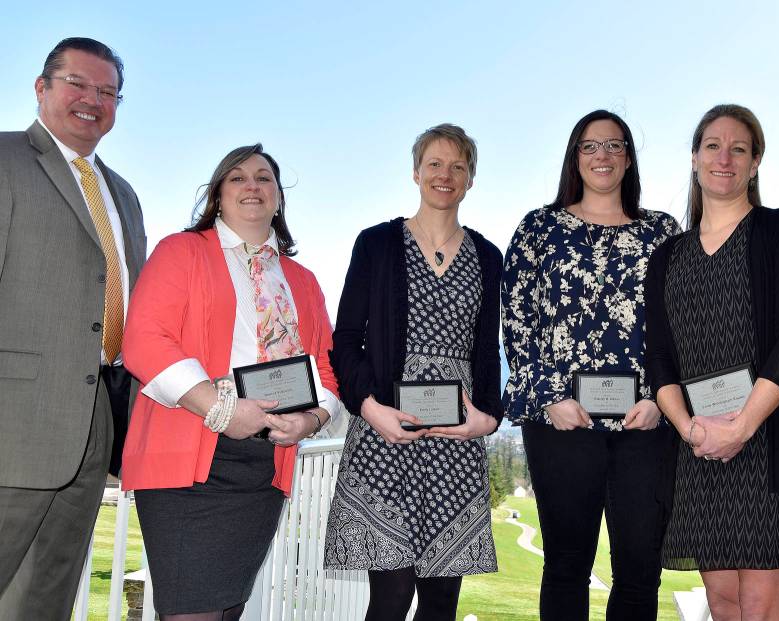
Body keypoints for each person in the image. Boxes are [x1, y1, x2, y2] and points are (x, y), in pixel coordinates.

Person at [119, 144, 340, 620]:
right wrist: (221, 409)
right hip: (189, 460)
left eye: (264, 178)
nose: (252, 186)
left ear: (279, 197)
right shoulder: (180, 252)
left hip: (264, 467)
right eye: (238, 177)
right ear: (217, 194)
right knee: (190, 612)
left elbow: (326, 369)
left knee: (226, 612)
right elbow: (144, 341)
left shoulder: (302, 280)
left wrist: (312, 417)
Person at [644, 104, 779, 621]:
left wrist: (742, 426)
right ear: (695, 159)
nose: (724, 157)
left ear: (754, 164)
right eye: (712, 146)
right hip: (700, 448)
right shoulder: (668, 255)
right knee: (723, 602)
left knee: (762, 604)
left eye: (739, 149)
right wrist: (690, 430)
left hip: (766, 442)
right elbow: (659, 357)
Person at [502, 109, 680, 621]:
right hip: (562, 422)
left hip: (645, 423)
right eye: (589, 146)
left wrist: (660, 402)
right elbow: (517, 321)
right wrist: (550, 398)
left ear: (628, 158)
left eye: (614, 145)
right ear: (574, 158)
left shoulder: (662, 232)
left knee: (640, 572)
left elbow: (679, 323)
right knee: (565, 566)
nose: (602, 155)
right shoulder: (539, 228)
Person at [325, 123, 502, 621]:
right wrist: (368, 408)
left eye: (458, 167)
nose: (445, 175)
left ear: (471, 179)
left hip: (456, 442)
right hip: (386, 435)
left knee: (442, 602)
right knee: (391, 597)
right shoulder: (377, 243)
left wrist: (488, 418)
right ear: (416, 172)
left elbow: (488, 351)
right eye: (435, 164)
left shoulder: (488, 258)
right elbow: (345, 342)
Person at [0, 37, 146, 619]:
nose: (93, 100)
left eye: (108, 92)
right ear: (42, 88)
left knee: (47, 595)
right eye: (78, 85)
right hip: (13, 427)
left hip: (95, 425)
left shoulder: (125, 196)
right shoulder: (6, 159)